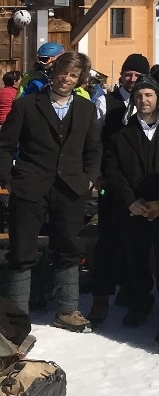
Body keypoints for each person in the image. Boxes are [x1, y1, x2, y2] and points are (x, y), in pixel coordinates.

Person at [0, 52, 101, 332]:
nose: (66, 79)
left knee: (68, 246)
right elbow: (5, 145)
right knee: (21, 249)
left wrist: (89, 179)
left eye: (73, 75)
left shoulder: (85, 108)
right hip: (30, 186)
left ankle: (67, 311)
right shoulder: (26, 105)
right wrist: (7, 177)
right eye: (62, 72)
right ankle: (17, 318)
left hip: (70, 188)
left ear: (79, 79)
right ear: (53, 72)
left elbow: (93, 149)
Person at [99, 77, 159, 327]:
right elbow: (112, 169)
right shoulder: (121, 133)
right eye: (139, 96)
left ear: (158, 98)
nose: (144, 100)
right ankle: (139, 303)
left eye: (149, 95)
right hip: (134, 208)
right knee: (135, 259)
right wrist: (130, 200)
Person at [95, 53, 150, 138]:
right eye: (128, 75)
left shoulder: (154, 103)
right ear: (121, 75)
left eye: (137, 75)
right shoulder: (104, 102)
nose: (133, 79)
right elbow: (95, 137)